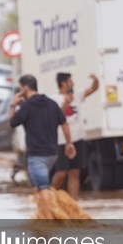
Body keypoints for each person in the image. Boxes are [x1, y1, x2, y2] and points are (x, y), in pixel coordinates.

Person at [8, 74, 75, 219]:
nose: (19, 93)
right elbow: (64, 122)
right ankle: (44, 215)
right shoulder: (51, 103)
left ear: (26, 88)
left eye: (20, 90)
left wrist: (13, 104)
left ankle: (50, 222)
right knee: (35, 185)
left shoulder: (26, 106)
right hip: (52, 153)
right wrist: (69, 143)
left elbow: (11, 123)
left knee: (43, 188)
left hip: (37, 155)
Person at [50, 72, 99, 199]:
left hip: (78, 138)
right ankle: (50, 198)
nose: (73, 84)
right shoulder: (54, 99)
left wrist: (96, 81)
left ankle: (73, 202)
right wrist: (66, 103)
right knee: (61, 172)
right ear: (63, 83)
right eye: (70, 81)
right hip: (62, 141)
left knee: (75, 172)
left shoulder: (77, 95)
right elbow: (57, 117)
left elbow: (93, 89)